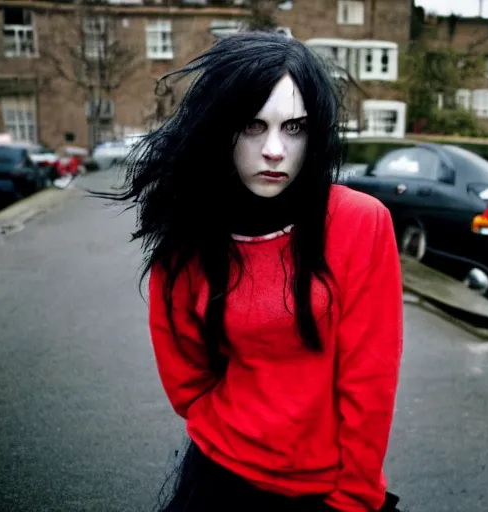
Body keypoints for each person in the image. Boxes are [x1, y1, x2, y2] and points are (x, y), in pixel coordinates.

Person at [119, 31, 403, 512]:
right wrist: (232, 429)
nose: (275, 149)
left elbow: (369, 380)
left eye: (294, 128)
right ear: (219, 128)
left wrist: (355, 496)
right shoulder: (190, 233)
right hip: (220, 475)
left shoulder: (360, 222)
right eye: (253, 125)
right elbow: (185, 372)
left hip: (325, 491)